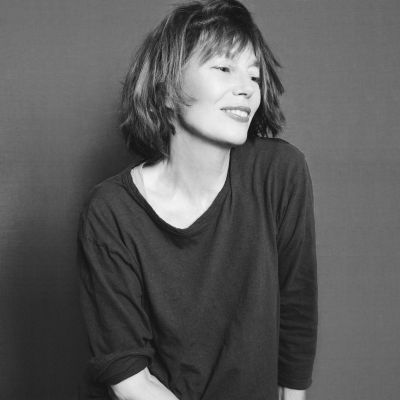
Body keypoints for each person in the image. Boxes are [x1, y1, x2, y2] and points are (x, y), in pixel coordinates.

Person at [77, 1, 318, 399]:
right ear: (167, 89)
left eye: (254, 75)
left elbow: (297, 315)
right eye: (223, 68)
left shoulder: (279, 172)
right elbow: (129, 376)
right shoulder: (111, 212)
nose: (247, 88)